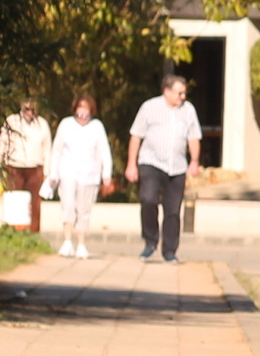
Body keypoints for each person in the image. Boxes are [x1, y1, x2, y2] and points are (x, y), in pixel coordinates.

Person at [126, 75, 202, 263]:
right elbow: (136, 136)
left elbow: (193, 137)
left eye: (184, 93)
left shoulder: (188, 110)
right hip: (151, 162)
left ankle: (169, 250)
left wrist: (194, 161)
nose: (182, 96)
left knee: (173, 210)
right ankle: (150, 242)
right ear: (166, 91)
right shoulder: (149, 107)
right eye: (179, 93)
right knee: (148, 199)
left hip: (176, 166)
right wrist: (131, 164)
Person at [45, 96, 113, 259]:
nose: (83, 112)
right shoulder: (66, 124)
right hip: (68, 172)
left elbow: (104, 151)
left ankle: (81, 244)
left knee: (84, 209)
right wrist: (53, 173)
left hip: (89, 175)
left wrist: (107, 174)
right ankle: (67, 241)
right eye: (80, 108)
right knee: (68, 205)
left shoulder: (97, 127)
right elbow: (57, 149)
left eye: (86, 109)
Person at [3, 98, 51, 234]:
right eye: (27, 109)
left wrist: (47, 172)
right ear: (21, 108)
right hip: (14, 167)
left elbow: (47, 150)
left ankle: (34, 233)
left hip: (35, 168)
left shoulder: (42, 124)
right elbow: (3, 142)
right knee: (13, 201)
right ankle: (12, 232)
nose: (30, 112)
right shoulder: (12, 121)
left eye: (33, 110)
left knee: (34, 204)